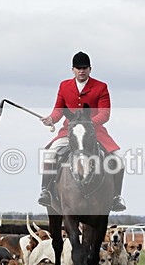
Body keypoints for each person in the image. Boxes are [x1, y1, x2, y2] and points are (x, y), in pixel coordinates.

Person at [38, 51, 126, 211]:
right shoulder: (64, 86)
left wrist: (87, 124)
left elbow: (105, 114)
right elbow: (59, 110)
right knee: (50, 154)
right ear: (73, 69)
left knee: (119, 159)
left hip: (95, 132)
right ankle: (45, 191)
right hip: (69, 132)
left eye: (84, 68)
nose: (81, 71)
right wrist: (51, 119)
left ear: (90, 69)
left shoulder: (101, 87)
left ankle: (116, 197)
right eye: (78, 68)